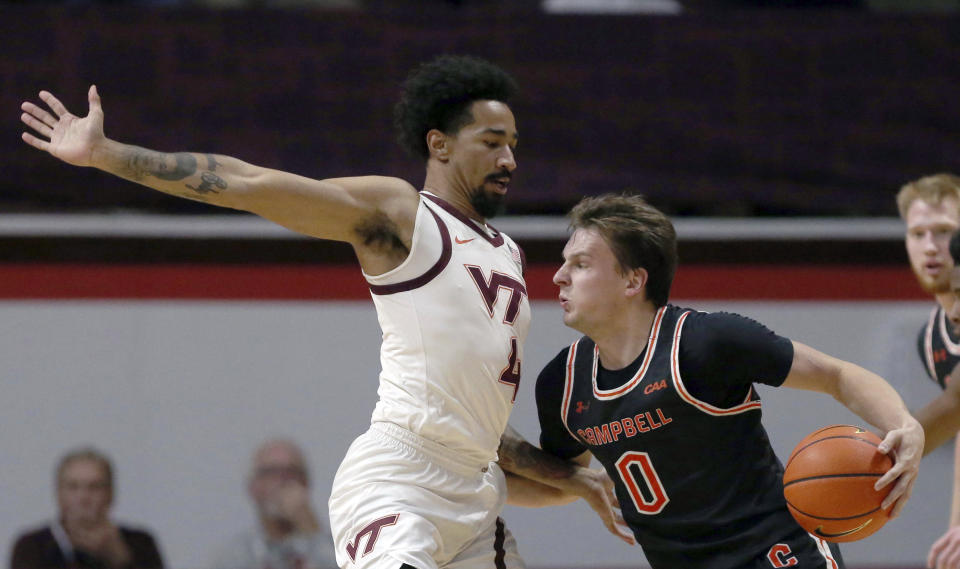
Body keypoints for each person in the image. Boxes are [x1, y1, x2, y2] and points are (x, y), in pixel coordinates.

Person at [19, 54, 623, 569]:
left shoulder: (508, 255)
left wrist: (578, 480)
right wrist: (108, 154)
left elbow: (480, 429)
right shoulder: (402, 213)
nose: (509, 159)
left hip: (478, 497)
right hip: (399, 483)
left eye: (514, 144)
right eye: (492, 143)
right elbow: (249, 182)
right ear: (438, 143)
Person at [530, 193, 924, 569]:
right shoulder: (561, 384)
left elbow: (835, 375)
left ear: (633, 282)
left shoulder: (707, 343)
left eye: (580, 264)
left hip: (776, 551)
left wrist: (904, 424)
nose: (560, 276)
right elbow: (559, 481)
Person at [896, 173, 960, 569]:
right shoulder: (931, 339)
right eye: (917, 234)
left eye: (944, 231)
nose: (931, 246)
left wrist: (877, 459)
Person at [9, 447, 164, 569]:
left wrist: (120, 561)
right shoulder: (32, 546)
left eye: (94, 487)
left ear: (110, 494)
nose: (83, 498)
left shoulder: (140, 543)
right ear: (59, 494)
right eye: (73, 487)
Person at [212, 438, 337, 569]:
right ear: (253, 487)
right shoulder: (236, 556)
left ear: (305, 484)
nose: (282, 481)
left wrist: (312, 530)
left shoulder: (330, 548)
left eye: (291, 472)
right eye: (271, 473)